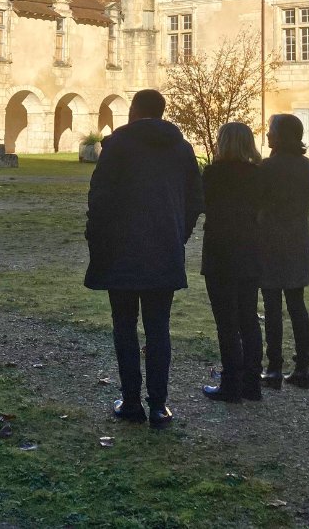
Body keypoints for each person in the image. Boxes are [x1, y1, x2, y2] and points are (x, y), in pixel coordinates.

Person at [85, 88, 203, 428]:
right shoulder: (181, 148)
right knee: (158, 327)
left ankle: (132, 401)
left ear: (134, 111)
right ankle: (159, 404)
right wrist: (179, 233)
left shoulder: (119, 145)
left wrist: (98, 236)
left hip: (121, 248)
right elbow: (196, 199)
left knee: (124, 325)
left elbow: (100, 197)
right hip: (164, 247)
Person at [200, 122, 264, 403]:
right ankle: (252, 383)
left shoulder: (214, 174)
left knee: (226, 321)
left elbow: (203, 204)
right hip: (250, 248)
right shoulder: (257, 176)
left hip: (220, 251)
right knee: (248, 317)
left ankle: (231, 385)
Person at [259, 113, 309, 390]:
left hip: (270, 243)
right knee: (297, 306)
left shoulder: (268, 167)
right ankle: (303, 367)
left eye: (271, 131)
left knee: (272, 308)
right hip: (297, 243)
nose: (268, 135)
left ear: (281, 136)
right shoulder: (307, 167)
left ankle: (274, 368)